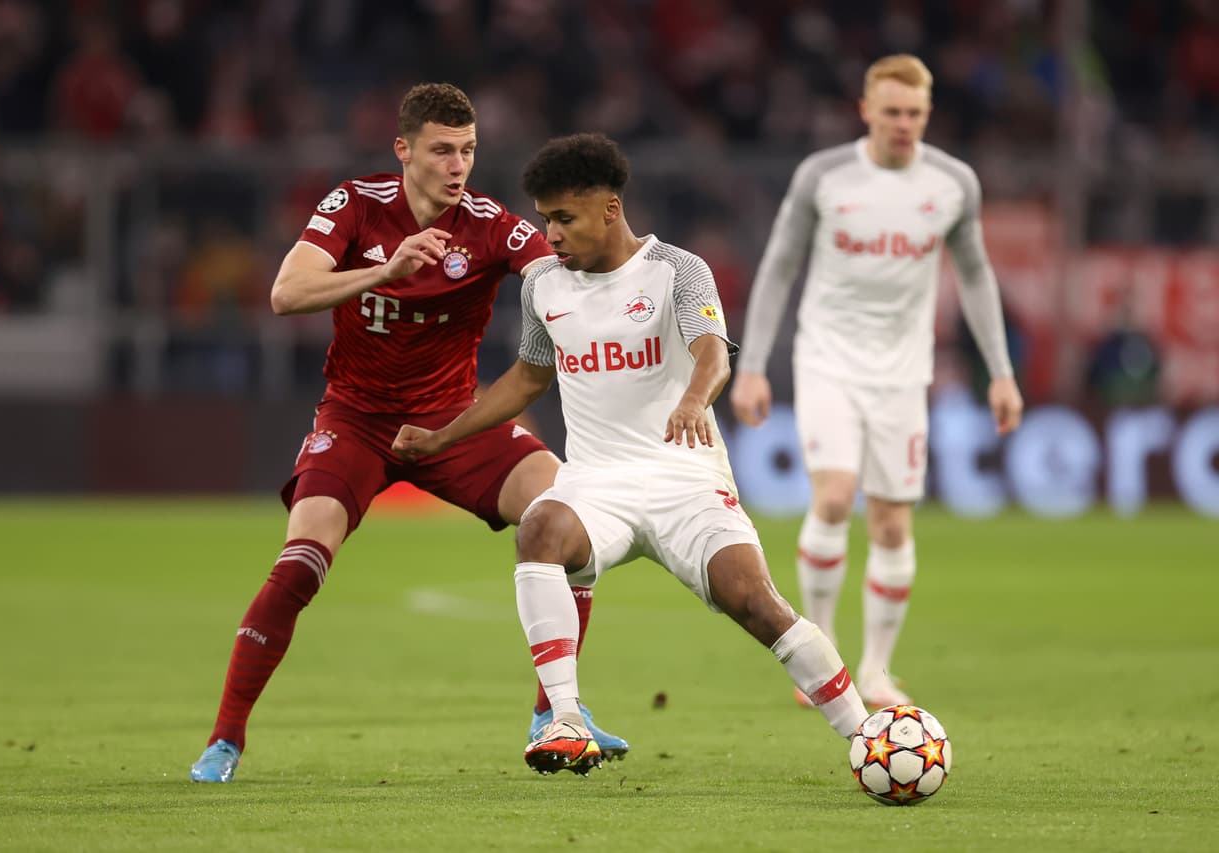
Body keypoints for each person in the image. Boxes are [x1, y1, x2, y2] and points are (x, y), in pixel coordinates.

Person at [189, 83, 628, 783]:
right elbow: (285, 293)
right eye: (443, 151)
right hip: (356, 422)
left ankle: (555, 714)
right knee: (301, 561)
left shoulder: (491, 225)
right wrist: (383, 271)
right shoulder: (355, 205)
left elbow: (556, 269)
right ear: (405, 151)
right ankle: (225, 738)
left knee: (569, 525)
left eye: (469, 151)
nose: (459, 166)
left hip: (455, 423)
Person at [393, 132, 869, 776]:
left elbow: (711, 350)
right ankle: (563, 718)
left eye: (564, 218)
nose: (551, 234)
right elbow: (529, 378)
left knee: (754, 600)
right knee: (539, 528)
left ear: (609, 208)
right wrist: (444, 436)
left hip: (684, 476)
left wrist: (695, 400)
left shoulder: (676, 269)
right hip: (596, 483)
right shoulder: (543, 287)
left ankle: (866, 735)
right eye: (544, 219)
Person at [729, 54, 1025, 708]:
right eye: (891, 111)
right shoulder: (825, 176)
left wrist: (1000, 372)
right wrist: (750, 364)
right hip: (828, 358)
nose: (904, 125)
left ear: (928, 114)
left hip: (902, 371)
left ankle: (877, 670)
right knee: (834, 496)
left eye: (915, 113)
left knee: (892, 523)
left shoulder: (952, 183)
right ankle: (823, 653)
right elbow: (779, 267)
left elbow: (976, 276)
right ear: (866, 110)